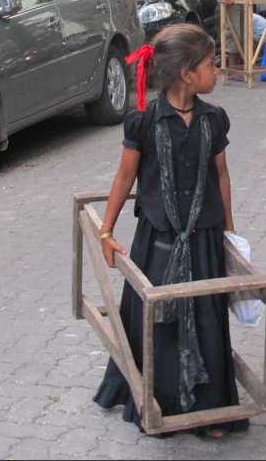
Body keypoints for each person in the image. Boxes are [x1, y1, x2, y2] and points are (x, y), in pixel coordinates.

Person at [93, 25, 247, 437]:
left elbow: (222, 176)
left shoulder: (214, 119)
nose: (217, 71)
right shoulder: (143, 122)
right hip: (157, 242)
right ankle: (159, 404)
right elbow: (126, 176)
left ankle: (210, 410)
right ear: (187, 75)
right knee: (157, 325)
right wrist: (105, 231)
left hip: (204, 244)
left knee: (208, 321)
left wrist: (230, 236)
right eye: (211, 65)